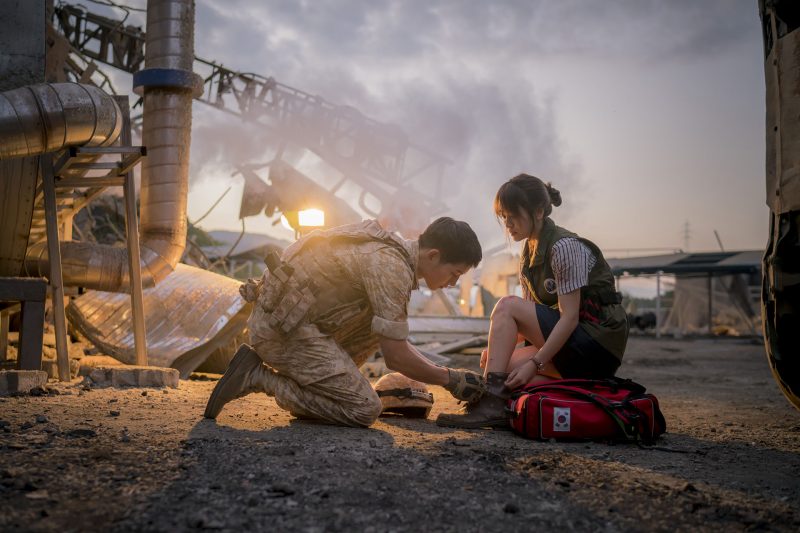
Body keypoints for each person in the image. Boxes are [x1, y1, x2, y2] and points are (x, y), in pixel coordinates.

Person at [204, 217, 486, 427]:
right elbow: (397, 357)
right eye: (454, 274)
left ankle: (319, 382)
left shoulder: (391, 251)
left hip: (293, 324)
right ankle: (256, 376)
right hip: (280, 332)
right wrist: (451, 379)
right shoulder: (391, 267)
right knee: (362, 409)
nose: (453, 284)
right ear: (433, 255)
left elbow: (394, 342)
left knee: (385, 325)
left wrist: (445, 373)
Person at [437, 174, 629, 429]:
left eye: (512, 215)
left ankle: (489, 404)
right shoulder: (529, 253)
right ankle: (498, 405)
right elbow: (529, 321)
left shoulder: (564, 247)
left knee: (506, 305)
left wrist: (535, 363)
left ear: (538, 211)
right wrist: (497, 351)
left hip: (596, 344)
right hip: (573, 346)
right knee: (498, 367)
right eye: (503, 216)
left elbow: (569, 318)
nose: (508, 224)